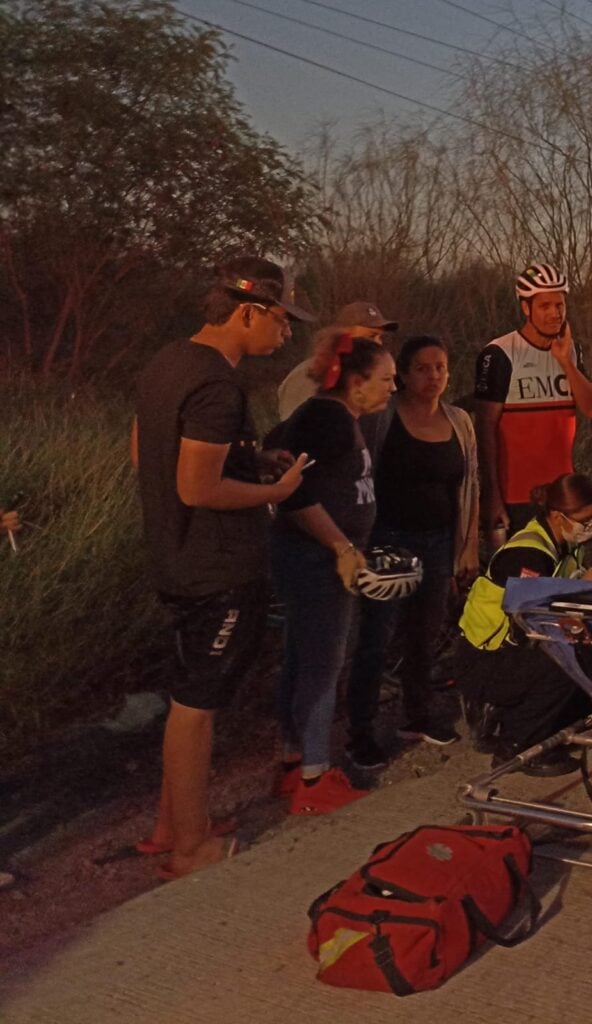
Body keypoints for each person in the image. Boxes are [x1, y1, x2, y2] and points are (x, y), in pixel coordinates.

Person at [132, 256, 314, 878]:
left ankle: (172, 825)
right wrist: (278, 490)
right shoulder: (218, 384)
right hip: (216, 570)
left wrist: (252, 458)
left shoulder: (167, 362)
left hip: (173, 557)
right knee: (196, 706)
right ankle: (189, 851)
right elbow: (197, 486)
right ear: (248, 312)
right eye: (282, 320)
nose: (285, 334)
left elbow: (145, 450)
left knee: (188, 694)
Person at [271, 334, 397, 814]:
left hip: (316, 554)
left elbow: (277, 449)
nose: (392, 387)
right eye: (385, 379)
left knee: (303, 656)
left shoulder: (333, 417)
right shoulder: (328, 419)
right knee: (323, 662)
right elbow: (295, 492)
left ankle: (292, 760)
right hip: (317, 558)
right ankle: (314, 776)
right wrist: (341, 546)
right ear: (356, 381)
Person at [345, 335, 480, 769]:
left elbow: (470, 484)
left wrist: (468, 545)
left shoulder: (459, 420)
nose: (433, 376)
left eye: (440, 367)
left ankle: (417, 714)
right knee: (376, 638)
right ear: (402, 374)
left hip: (438, 540)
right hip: (388, 539)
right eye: (422, 368)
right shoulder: (381, 419)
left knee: (425, 635)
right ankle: (359, 730)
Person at [456, 474, 592, 775]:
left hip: (512, 650)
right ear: (558, 517)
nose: (590, 526)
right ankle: (516, 744)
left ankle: (546, 726)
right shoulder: (529, 554)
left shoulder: (563, 545)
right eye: (584, 520)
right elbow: (529, 622)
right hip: (487, 659)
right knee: (564, 660)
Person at [474, 263, 592, 548]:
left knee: (564, 581)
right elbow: (484, 428)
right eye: (544, 306)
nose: (555, 313)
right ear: (526, 308)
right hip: (515, 494)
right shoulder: (499, 353)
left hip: (563, 495)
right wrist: (491, 494)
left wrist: (565, 361)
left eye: (560, 305)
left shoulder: (570, 350)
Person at [277, 301, 398, 420]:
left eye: (380, 337)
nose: (378, 343)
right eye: (370, 336)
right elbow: (297, 430)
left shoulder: (367, 380)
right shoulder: (309, 374)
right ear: (342, 336)